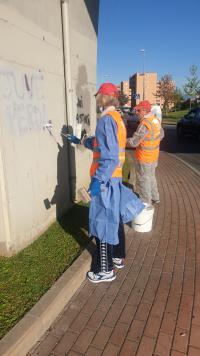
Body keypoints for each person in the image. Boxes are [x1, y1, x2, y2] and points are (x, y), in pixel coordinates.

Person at [67, 83, 144, 283]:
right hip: (114, 178)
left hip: (106, 180)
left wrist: (97, 182)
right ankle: (118, 256)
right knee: (115, 218)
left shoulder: (105, 120)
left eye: (97, 96)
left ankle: (105, 270)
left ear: (103, 97)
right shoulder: (117, 118)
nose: (96, 100)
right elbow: (103, 145)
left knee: (102, 223)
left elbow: (108, 157)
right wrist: (80, 141)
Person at [126, 100, 164, 205]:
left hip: (144, 158)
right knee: (151, 177)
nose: (136, 113)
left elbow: (134, 142)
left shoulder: (144, 124)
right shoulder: (155, 120)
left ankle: (145, 202)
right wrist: (152, 142)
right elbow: (161, 135)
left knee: (143, 180)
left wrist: (122, 141)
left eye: (138, 110)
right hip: (154, 157)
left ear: (144, 111)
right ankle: (155, 197)